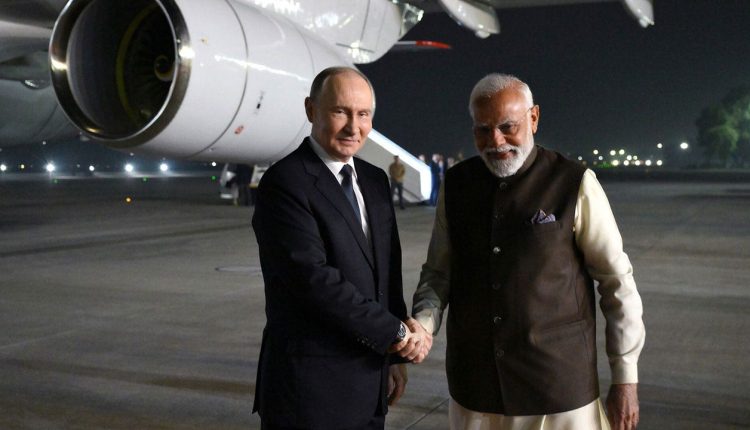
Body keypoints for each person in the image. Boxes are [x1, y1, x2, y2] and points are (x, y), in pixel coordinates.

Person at [411, 73, 645, 430]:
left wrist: (625, 377)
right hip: (476, 388)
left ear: (533, 117)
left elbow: (617, 283)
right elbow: (439, 272)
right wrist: (424, 324)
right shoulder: (457, 185)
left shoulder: (574, 183)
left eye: (508, 126)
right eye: (483, 130)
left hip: (558, 391)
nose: (496, 141)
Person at [252, 66, 428, 430]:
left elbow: (387, 274)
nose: (353, 127)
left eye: (363, 114)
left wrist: (394, 358)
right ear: (311, 110)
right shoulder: (285, 182)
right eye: (340, 112)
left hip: (370, 383)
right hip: (311, 392)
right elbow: (313, 281)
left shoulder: (375, 180)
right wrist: (397, 335)